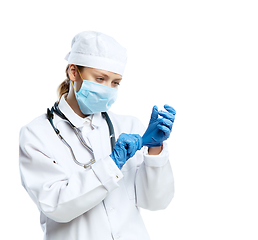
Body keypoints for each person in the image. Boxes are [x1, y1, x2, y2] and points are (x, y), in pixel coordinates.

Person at [19, 31, 176, 240]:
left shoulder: (128, 126)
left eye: (115, 82)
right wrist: (112, 163)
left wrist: (155, 150)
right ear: (73, 72)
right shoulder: (37, 134)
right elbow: (55, 205)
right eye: (100, 79)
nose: (108, 89)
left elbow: (156, 202)